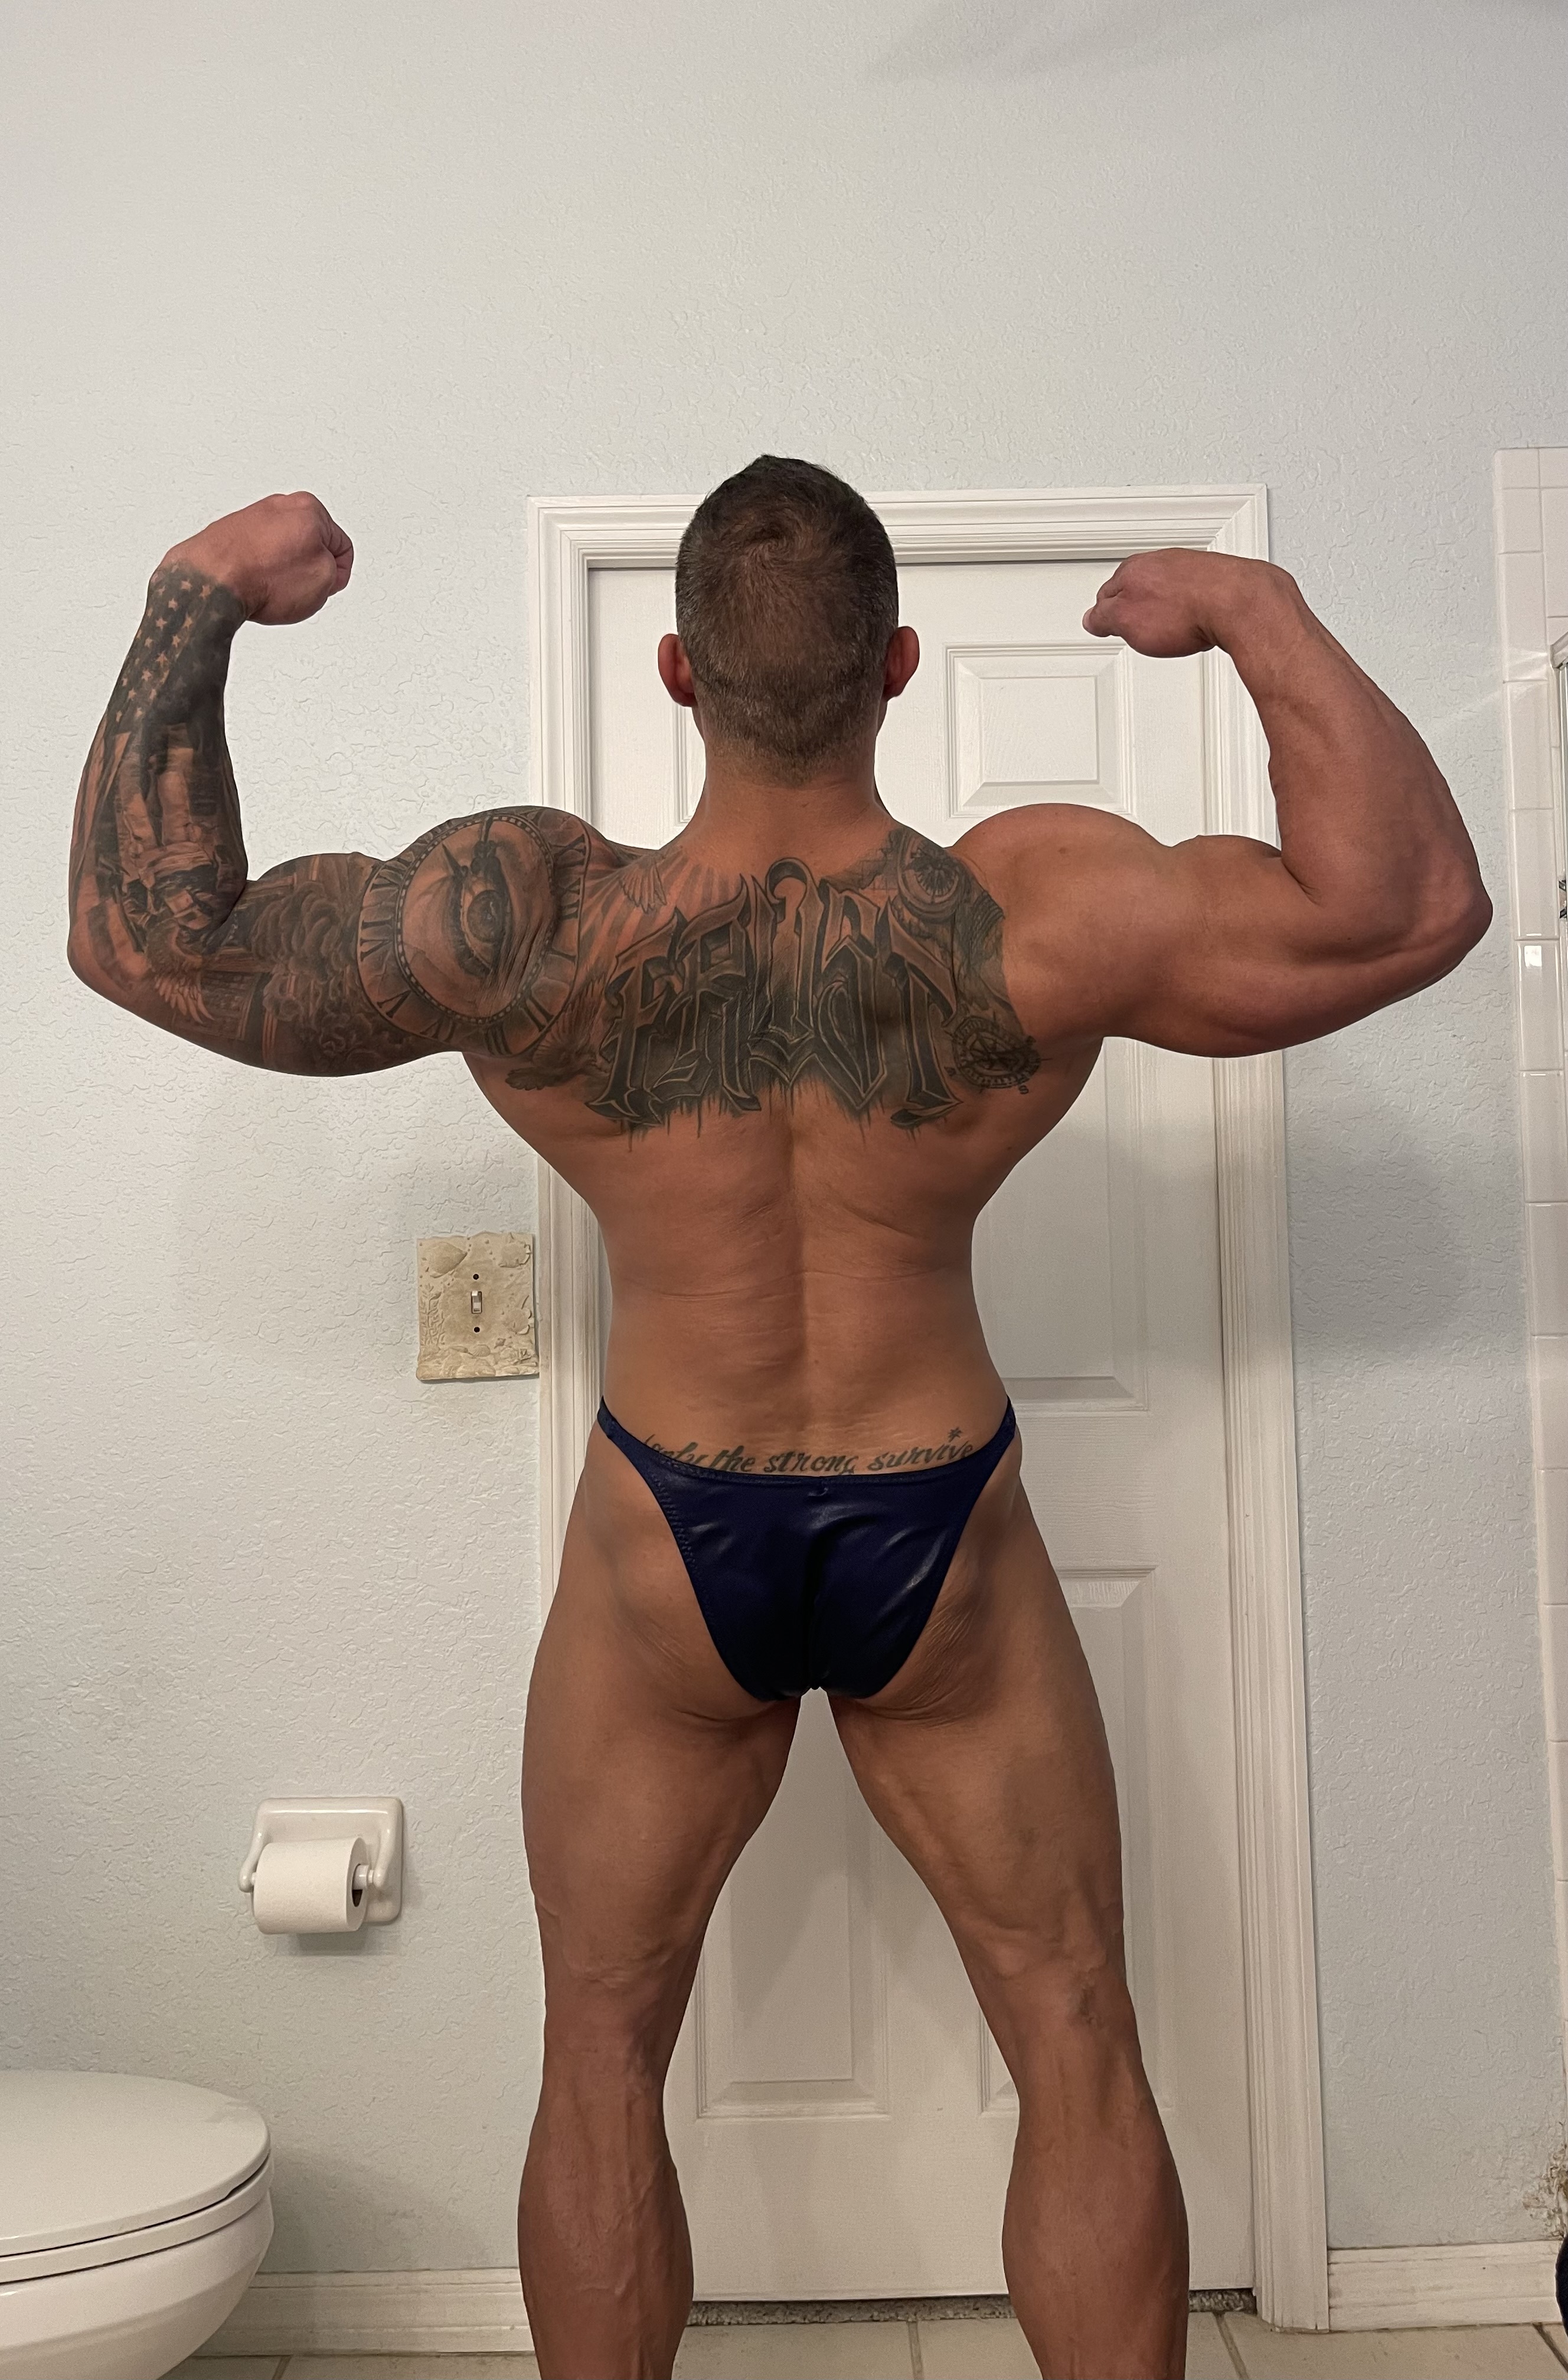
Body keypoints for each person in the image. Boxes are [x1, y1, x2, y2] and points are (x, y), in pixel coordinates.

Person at [67, 458, 1489, 2380]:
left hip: (674, 1531)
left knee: (601, 2051)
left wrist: (197, 596)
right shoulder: (1032, 909)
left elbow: (151, 942)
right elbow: (1408, 909)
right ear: (898, 664)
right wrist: (1257, 612)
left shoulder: (531, 920)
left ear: (678, 670)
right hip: (938, 1530)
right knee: (1075, 2031)